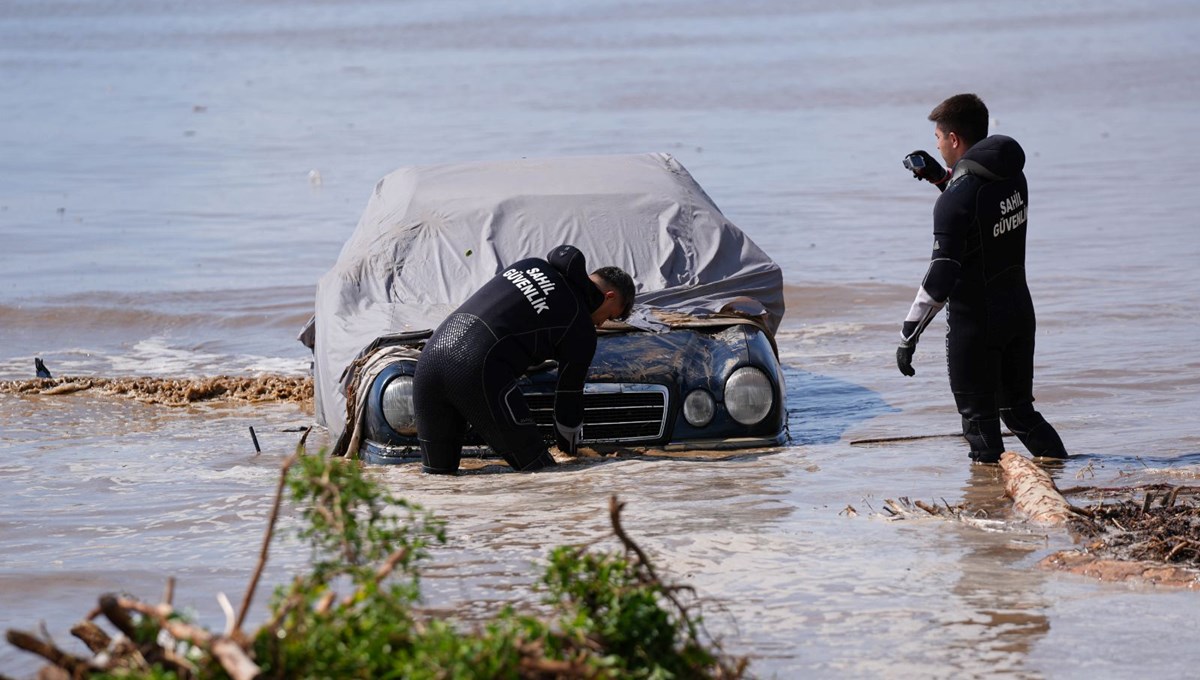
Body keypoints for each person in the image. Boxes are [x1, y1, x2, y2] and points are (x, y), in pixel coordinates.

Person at [896, 93, 1067, 463]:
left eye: (938, 139)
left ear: (954, 139)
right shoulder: (1012, 176)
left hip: (976, 324)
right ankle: (1064, 476)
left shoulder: (955, 201)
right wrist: (942, 178)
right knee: (1020, 413)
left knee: (979, 427)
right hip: (1018, 312)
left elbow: (942, 273)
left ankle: (988, 514)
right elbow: (981, 217)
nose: (937, 146)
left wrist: (908, 335)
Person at [412, 245, 634, 474]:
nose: (600, 324)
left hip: (429, 361)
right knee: (543, 476)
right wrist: (572, 454)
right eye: (608, 317)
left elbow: (509, 319)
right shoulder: (581, 327)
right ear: (610, 297)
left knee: (438, 482)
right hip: (475, 370)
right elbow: (568, 403)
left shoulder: (530, 265)